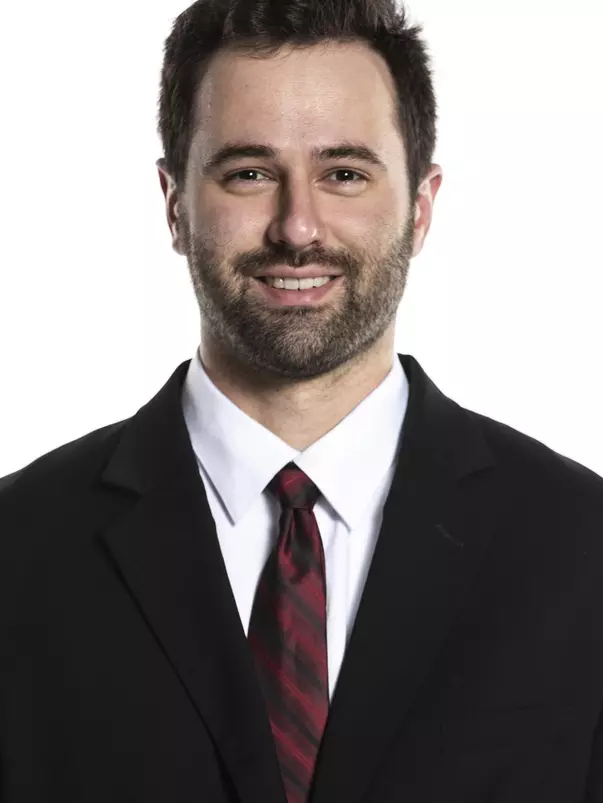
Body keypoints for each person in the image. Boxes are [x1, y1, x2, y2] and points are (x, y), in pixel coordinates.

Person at [1, 0, 602, 801]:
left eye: (343, 173)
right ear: (174, 203)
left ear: (421, 206)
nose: (296, 226)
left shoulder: (580, 548)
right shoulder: (18, 551)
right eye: (248, 172)